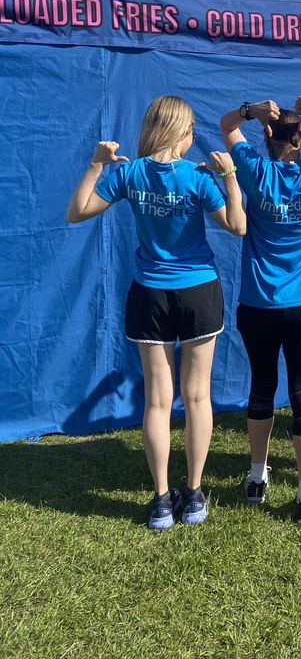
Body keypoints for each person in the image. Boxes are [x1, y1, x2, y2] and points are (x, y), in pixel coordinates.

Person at [67, 96, 246, 529]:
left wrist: (96, 163)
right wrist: (230, 176)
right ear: (183, 134)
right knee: (198, 396)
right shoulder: (198, 178)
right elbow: (239, 225)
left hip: (150, 295)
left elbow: (77, 212)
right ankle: (195, 494)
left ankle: (163, 500)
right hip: (198, 292)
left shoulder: (128, 173)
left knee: (157, 400)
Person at [220, 96, 301, 527]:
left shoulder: (254, 169)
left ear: (268, 135)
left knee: (262, 386)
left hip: (260, 305)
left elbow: (226, 125)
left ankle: (256, 478)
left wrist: (252, 110)